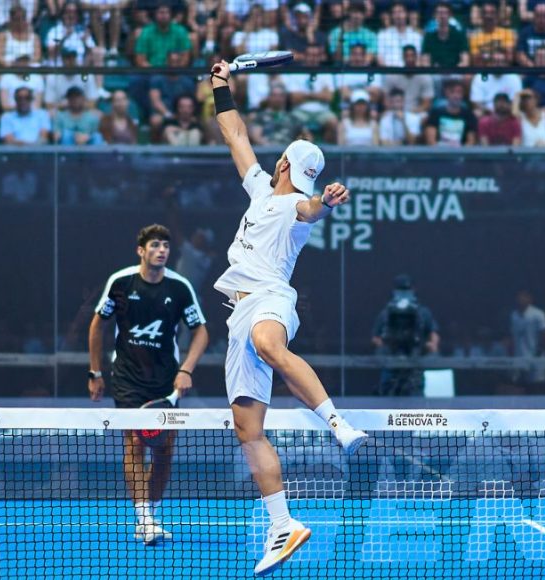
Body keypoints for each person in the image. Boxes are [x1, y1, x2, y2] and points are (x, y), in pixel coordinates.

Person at [207, 59, 368, 576]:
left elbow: (312, 209)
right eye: (299, 177)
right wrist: (221, 87)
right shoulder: (259, 189)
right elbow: (233, 133)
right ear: (283, 166)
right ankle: (282, 525)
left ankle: (338, 425)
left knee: (269, 343)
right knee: (247, 428)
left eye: (309, 183)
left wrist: (327, 199)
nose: (301, 185)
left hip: (271, 299)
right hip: (237, 315)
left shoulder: (298, 207)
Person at [88, 224, 210, 547]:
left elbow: (201, 332)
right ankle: (144, 518)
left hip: (166, 382)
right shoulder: (121, 283)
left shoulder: (180, 287)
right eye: (155, 245)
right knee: (134, 443)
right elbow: (97, 326)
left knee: (165, 450)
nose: (162, 251)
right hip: (127, 378)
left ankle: (151, 517)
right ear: (141, 250)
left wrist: (186, 370)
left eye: (166, 246)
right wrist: (95, 373)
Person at [371, 274, 440, 396]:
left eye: (406, 290)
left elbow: (433, 332)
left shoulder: (422, 312)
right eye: (400, 290)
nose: (403, 293)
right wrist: (385, 345)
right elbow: (376, 337)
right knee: (387, 401)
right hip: (391, 364)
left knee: (415, 402)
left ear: (413, 290)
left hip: (415, 364)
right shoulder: (386, 313)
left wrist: (431, 345)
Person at [510, 290, 545, 386]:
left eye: (524, 297)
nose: (521, 299)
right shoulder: (513, 315)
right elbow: (512, 336)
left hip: (535, 356)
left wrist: (538, 353)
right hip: (518, 358)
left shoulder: (538, 314)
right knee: (520, 386)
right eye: (519, 297)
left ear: (530, 299)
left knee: (537, 386)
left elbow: (544, 332)